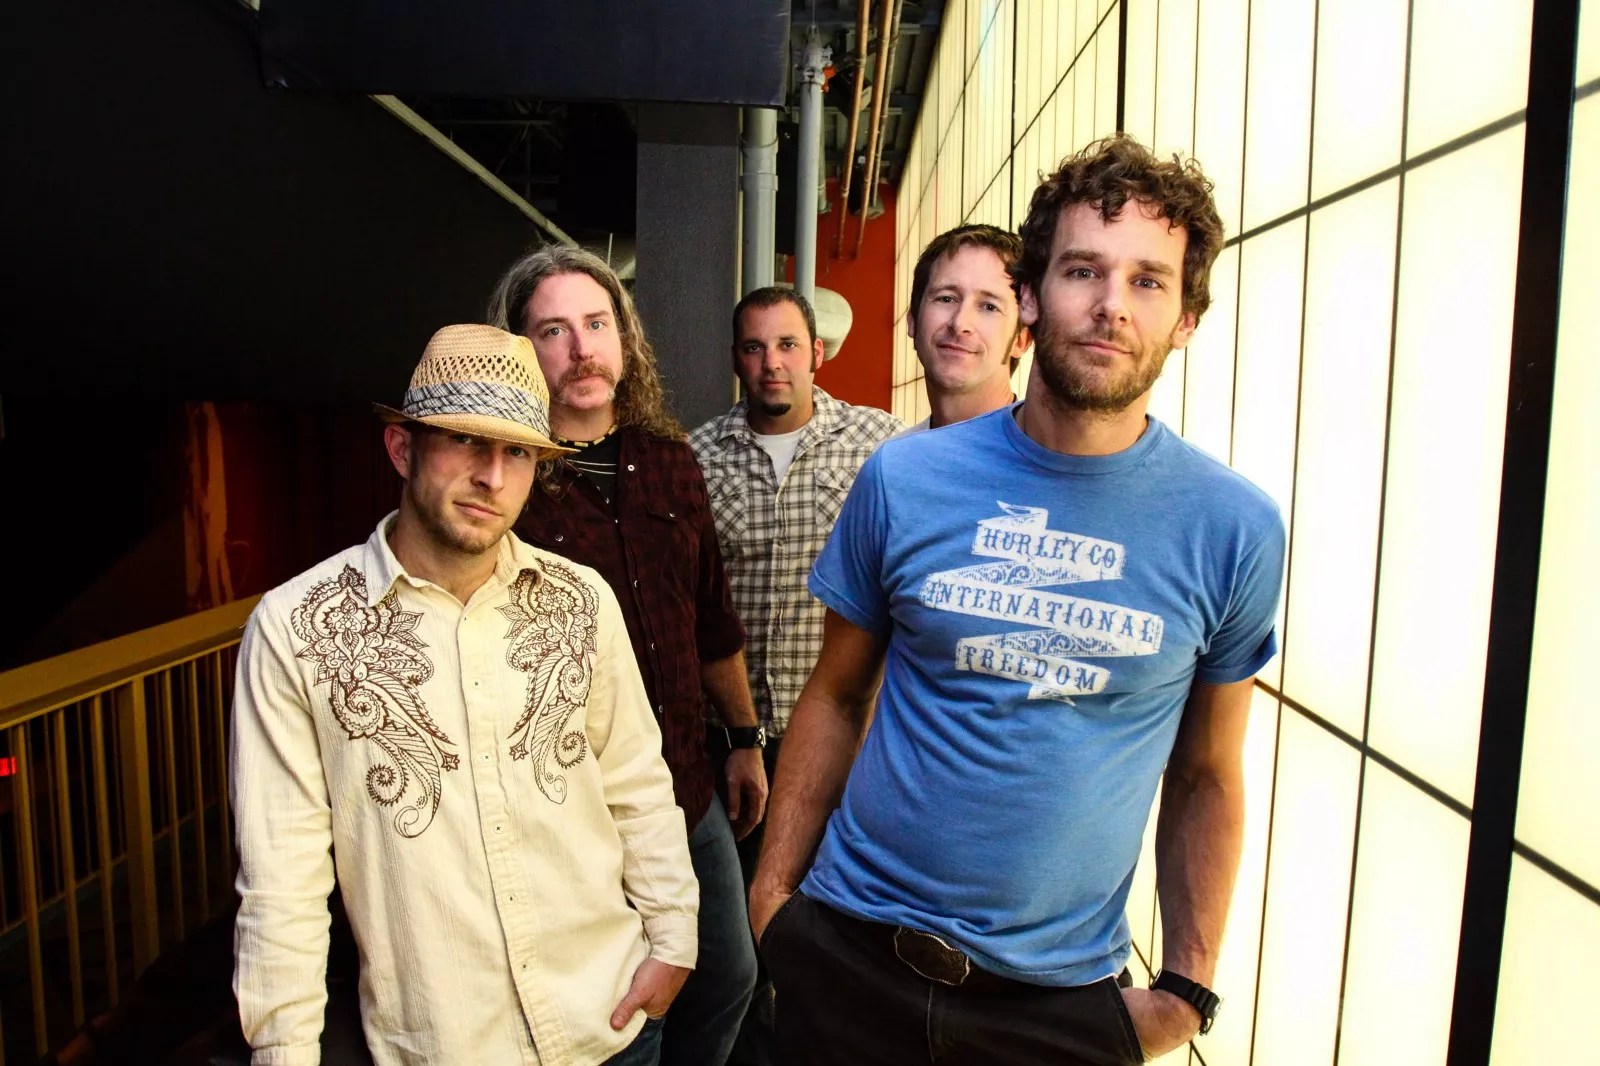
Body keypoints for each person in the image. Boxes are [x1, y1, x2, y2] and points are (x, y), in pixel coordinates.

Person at [749, 134, 1288, 1066]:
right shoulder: (905, 477)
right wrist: (772, 900)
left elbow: (1207, 773)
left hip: (1056, 1007)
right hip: (849, 956)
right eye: (1083, 270)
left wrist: (1187, 988)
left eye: (1148, 281)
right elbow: (836, 694)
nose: (1111, 305)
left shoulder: (1232, 527)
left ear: (1187, 319)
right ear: (1034, 297)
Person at [231, 324, 697, 1066]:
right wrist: (283, 1051)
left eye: (518, 452)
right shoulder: (297, 627)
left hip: (609, 1020)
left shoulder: (582, 600)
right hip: (443, 1045)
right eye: (464, 441)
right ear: (402, 448)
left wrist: (674, 940)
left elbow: (636, 783)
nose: (493, 477)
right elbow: (281, 879)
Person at [487, 247, 763, 1066]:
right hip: (572, 805)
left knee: (729, 976)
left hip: (685, 781)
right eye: (553, 331)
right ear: (520, 350)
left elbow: (709, 617)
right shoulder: (507, 477)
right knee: (622, 1011)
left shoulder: (668, 459)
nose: (582, 348)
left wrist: (743, 739)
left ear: (624, 337)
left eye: (597, 323)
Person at [687, 286, 902, 1063]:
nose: (771, 363)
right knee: (741, 946)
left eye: (786, 345)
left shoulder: (879, 444)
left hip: (842, 740)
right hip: (732, 743)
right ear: (736, 360)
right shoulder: (697, 456)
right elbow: (693, 602)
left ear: (817, 353)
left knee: (834, 936)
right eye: (754, 347)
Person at [901, 224, 1033, 434]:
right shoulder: (892, 453)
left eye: (989, 307)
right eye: (946, 299)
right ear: (912, 321)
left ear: (1021, 341)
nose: (960, 323)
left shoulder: (1053, 451)